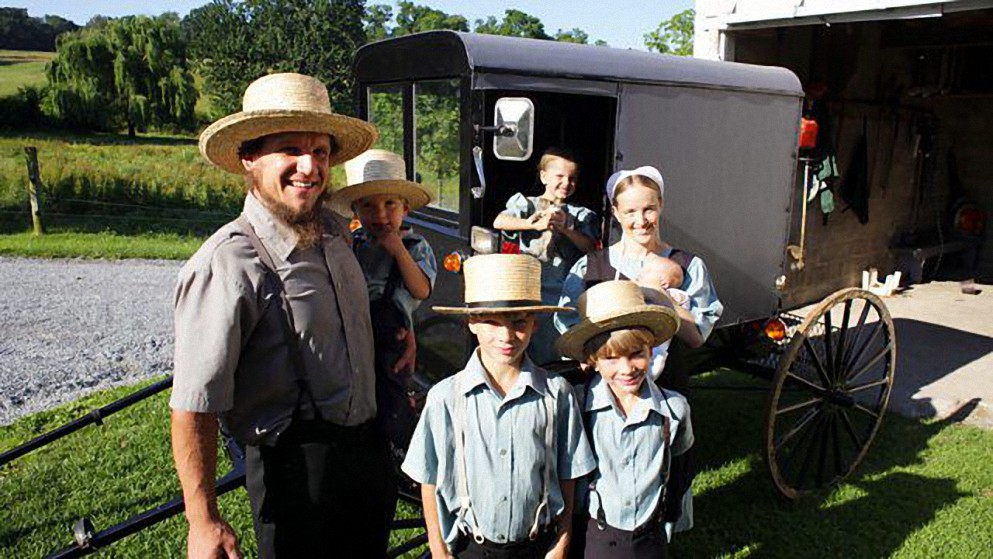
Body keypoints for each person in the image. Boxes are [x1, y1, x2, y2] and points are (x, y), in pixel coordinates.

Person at [169, 72, 397, 558]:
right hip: (295, 476)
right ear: (249, 158)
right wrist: (202, 519)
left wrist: (398, 330)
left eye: (320, 151)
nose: (309, 166)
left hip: (367, 455)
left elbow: (344, 324)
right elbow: (194, 404)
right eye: (291, 149)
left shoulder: (337, 234)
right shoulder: (227, 265)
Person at [554, 165, 722, 536]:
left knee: (661, 470)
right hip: (606, 391)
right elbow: (567, 321)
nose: (640, 220)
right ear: (616, 213)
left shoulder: (686, 267)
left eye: (648, 209)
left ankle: (655, 533)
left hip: (664, 390)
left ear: (661, 205)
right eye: (630, 211)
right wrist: (591, 356)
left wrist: (661, 295)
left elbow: (697, 337)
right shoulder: (593, 265)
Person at [402, 254, 597, 559]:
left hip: (536, 546)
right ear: (472, 324)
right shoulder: (446, 397)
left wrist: (561, 541)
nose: (506, 336)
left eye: (518, 322)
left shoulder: (556, 394)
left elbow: (568, 473)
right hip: (471, 548)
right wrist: (439, 550)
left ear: (534, 323)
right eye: (492, 322)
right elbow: (429, 478)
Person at [556, 280, 692, 558]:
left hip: (650, 537)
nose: (626, 369)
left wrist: (670, 515)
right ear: (592, 360)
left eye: (636, 355)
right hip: (596, 536)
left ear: (651, 350)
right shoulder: (579, 405)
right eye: (611, 358)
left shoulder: (674, 409)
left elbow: (681, 466)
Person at [329, 148, 437, 450]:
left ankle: (398, 443)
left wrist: (398, 251)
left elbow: (421, 290)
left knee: (391, 390)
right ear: (356, 212)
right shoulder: (355, 244)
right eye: (368, 206)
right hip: (356, 329)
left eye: (390, 204)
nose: (380, 215)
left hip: (392, 333)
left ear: (406, 209)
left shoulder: (415, 246)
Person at [493, 148, 599, 365]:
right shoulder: (527, 204)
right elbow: (500, 221)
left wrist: (567, 229)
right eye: (559, 176)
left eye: (572, 178)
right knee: (529, 338)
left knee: (561, 340)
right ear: (543, 176)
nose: (566, 183)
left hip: (565, 290)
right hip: (530, 288)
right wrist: (532, 224)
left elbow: (591, 248)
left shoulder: (580, 214)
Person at [636, 253, 691, 380]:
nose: (641, 273)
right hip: (643, 335)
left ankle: (649, 376)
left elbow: (684, 300)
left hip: (660, 339)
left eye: (648, 271)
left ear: (664, 283)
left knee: (658, 355)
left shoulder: (672, 294)